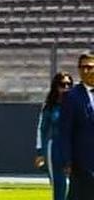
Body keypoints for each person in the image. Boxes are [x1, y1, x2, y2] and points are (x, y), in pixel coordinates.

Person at [61, 52, 94, 200]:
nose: (85, 71)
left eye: (89, 67)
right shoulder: (71, 96)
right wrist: (67, 160)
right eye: (82, 67)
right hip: (82, 165)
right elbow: (65, 131)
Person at [36, 72, 73, 200]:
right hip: (55, 149)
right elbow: (42, 129)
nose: (66, 88)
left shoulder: (77, 104)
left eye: (69, 85)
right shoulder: (49, 107)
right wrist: (40, 152)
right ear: (56, 86)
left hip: (75, 148)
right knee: (60, 186)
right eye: (63, 85)